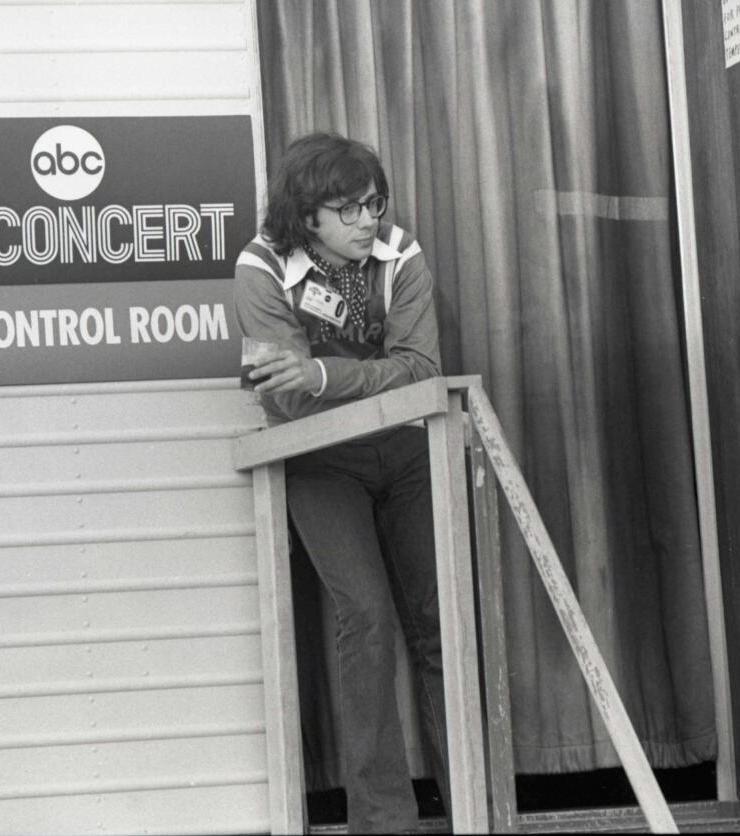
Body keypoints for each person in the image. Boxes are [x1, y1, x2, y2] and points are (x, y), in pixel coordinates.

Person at [233, 132, 448, 833]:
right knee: (366, 614)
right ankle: (383, 822)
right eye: (348, 209)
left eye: (374, 204)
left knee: (440, 624)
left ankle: (474, 801)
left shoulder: (400, 253)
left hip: (409, 447)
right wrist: (339, 382)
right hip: (320, 461)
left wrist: (325, 373)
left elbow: (420, 370)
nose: (368, 222)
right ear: (307, 213)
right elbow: (282, 397)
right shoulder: (262, 266)